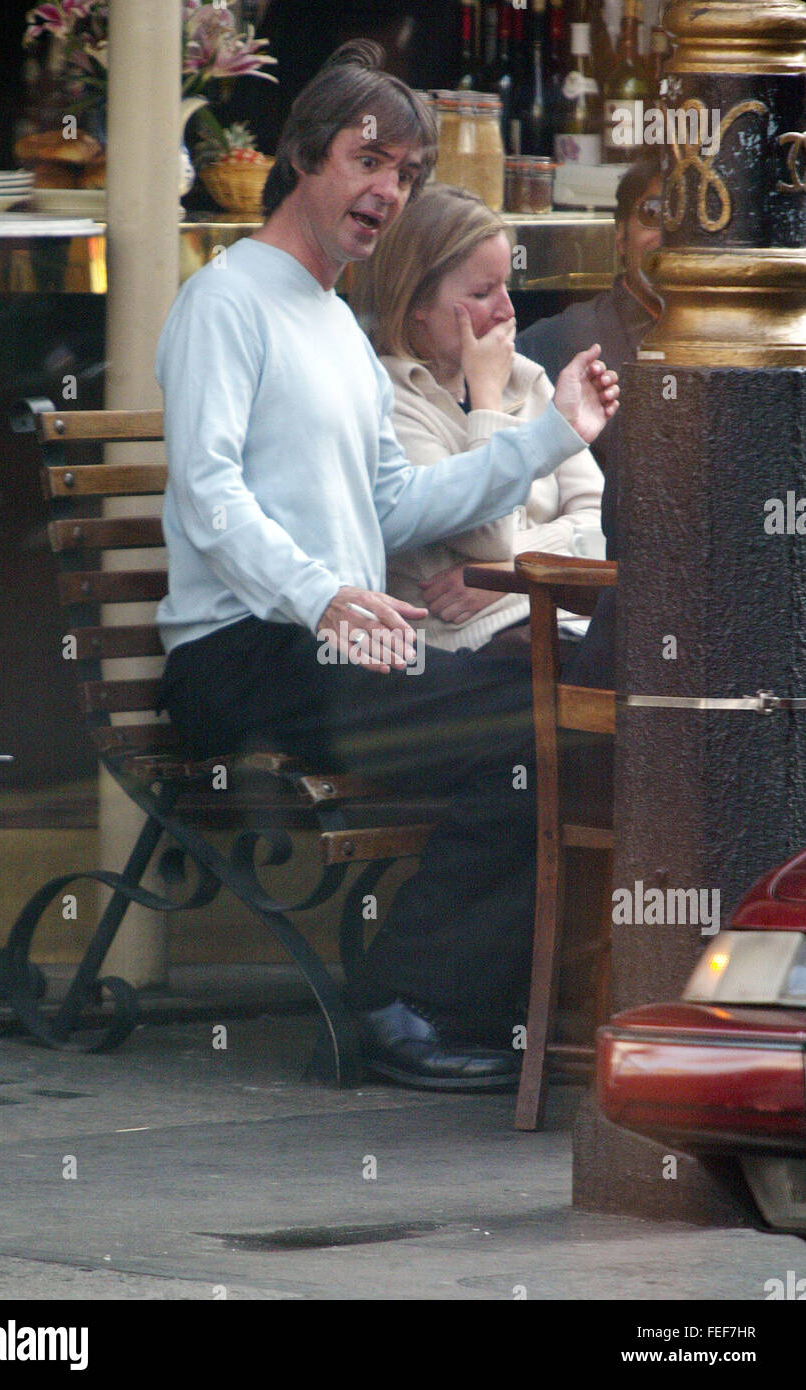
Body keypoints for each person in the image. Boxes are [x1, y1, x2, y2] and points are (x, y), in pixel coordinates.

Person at [155, 41, 619, 1090]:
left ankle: (474, 993)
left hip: (335, 642)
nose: (388, 190)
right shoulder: (224, 302)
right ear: (303, 156)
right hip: (241, 653)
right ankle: (409, 1000)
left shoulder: (332, 325)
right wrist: (321, 597)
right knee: (536, 724)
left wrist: (549, 436)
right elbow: (207, 493)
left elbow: (398, 504)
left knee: (567, 695)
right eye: (371, 160)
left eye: (406, 173)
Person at [355, 183, 604, 655]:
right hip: (470, 651)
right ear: (417, 305)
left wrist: (512, 575)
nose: (508, 310)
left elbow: (600, 526)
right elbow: (488, 540)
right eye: (482, 292)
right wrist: (486, 400)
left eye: (506, 286)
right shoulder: (390, 401)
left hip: (563, 623)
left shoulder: (526, 381)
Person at [516, 158, 662, 686]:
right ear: (619, 237)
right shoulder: (556, 342)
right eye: (654, 212)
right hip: (604, 631)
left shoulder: (749, 353)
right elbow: (507, 500)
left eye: (689, 217)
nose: (670, 232)